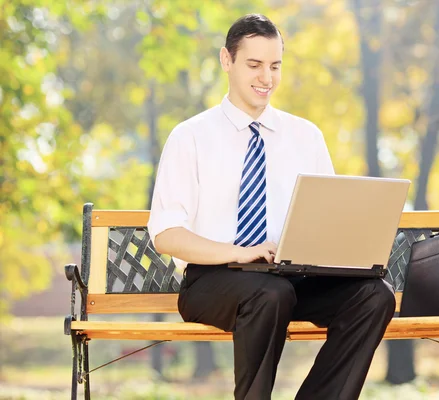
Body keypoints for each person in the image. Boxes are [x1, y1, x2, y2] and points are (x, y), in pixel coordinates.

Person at [148, 13, 395, 400]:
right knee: (268, 294)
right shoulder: (190, 137)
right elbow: (166, 234)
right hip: (213, 280)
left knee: (375, 295)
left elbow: (329, 218)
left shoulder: (305, 136)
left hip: (292, 278)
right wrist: (241, 252)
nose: (267, 78)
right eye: (254, 65)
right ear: (226, 61)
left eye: (275, 65)